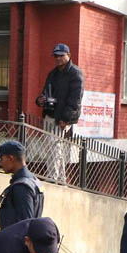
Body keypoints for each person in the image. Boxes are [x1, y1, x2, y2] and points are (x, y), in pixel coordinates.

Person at [36, 43, 84, 183]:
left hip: (63, 117)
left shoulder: (76, 73)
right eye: (56, 56)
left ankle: (53, 178)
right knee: (54, 147)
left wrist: (65, 118)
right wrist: (40, 100)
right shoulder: (53, 73)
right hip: (50, 114)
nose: (58, 58)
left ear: (68, 56)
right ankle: (61, 179)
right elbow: (46, 91)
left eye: (61, 55)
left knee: (54, 145)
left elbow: (75, 99)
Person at [0, 140, 44, 229]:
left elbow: (24, 226)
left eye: (2, 159)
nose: (0, 163)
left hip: (16, 242)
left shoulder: (21, 187)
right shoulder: (34, 181)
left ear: (11, 158)